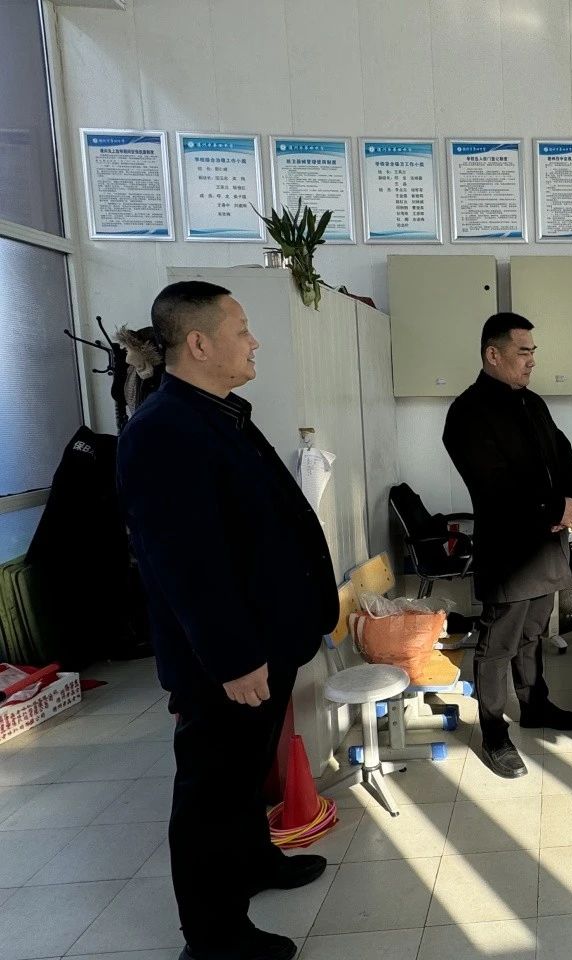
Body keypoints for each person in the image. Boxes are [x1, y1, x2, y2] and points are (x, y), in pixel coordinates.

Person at [117, 282, 338, 960]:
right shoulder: (164, 431)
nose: (254, 340)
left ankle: (254, 862)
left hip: (265, 645)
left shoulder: (219, 413)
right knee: (211, 793)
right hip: (227, 662)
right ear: (199, 343)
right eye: (241, 329)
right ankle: (213, 938)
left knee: (244, 776)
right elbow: (186, 565)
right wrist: (235, 658)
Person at [443, 312, 572, 779]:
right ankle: (493, 730)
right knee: (498, 642)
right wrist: (554, 509)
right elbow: (493, 484)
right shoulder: (466, 413)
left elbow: (564, 454)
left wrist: (570, 501)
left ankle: (535, 705)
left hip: (546, 543)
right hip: (508, 549)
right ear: (493, 354)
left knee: (533, 633)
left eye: (532, 352)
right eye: (523, 352)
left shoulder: (532, 402)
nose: (532, 361)